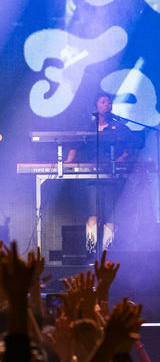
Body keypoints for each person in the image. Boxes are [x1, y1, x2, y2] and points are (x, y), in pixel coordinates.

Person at [66, 92, 136, 253]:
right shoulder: (88, 127)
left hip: (111, 175)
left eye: (109, 103)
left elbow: (131, 146)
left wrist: (121, 159)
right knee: (93, 214)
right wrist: (68, 161)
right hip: (92, 175)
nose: (107, 105)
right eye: (103, 102)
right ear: (95, 106)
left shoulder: (118, 127)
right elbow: (75, 145)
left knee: (110, 216)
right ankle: (91, 253)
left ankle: (107, 254)